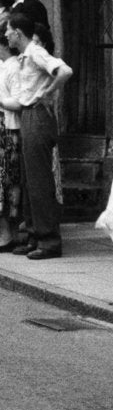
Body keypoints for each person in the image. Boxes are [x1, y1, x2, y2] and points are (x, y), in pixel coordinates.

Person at [4, 12, 71, 260]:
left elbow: (64, 70)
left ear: (18, 33)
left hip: (37, 115)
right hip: (28, 115)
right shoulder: (25, 56)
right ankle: (34, 235)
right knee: (29, 180)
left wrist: (48, 92)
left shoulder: (35, 51)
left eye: (9, 31)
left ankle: (49, 240)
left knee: (40, 180)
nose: (6, 35)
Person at [0, 18, 20, 251]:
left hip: (10, 128)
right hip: (4, 127)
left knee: (9, 182)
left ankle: (9, 234)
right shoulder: (5, 66)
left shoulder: (13, 66)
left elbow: (20, 100)